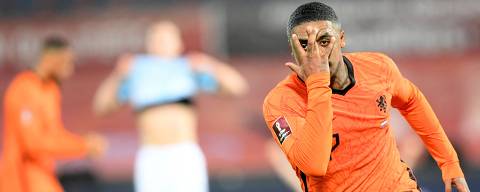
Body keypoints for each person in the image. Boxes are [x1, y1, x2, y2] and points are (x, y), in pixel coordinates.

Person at [262, 2, 470, 192]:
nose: (317, 54)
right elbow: (313, 164)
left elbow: (412, 101)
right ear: (293, 49)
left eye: (324, 41)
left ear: (341, 39)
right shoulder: (281, 101)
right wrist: (317, 83)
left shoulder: (378, 68)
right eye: (305, 45)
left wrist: (449, 162)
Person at [93, 21, 248, 192]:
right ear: (148, 43)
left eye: (166, 38)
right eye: (156, 38)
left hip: (183, 156)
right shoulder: (136, 71)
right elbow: (101, 106)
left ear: (178, 43)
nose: (160, 42)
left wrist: (210, 64)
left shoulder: (188, 67)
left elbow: (238, 87)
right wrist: (117, 75)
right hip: (151, 157)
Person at [0, 36, 107, 192]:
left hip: (44, 175)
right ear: (51, 59)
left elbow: (55, 134)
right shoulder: (23, 88)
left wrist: (85, 143)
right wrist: (83, 146)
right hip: (21, 178)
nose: (71, 68)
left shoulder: (51, 90)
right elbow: (32, 143)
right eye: (68, 61)